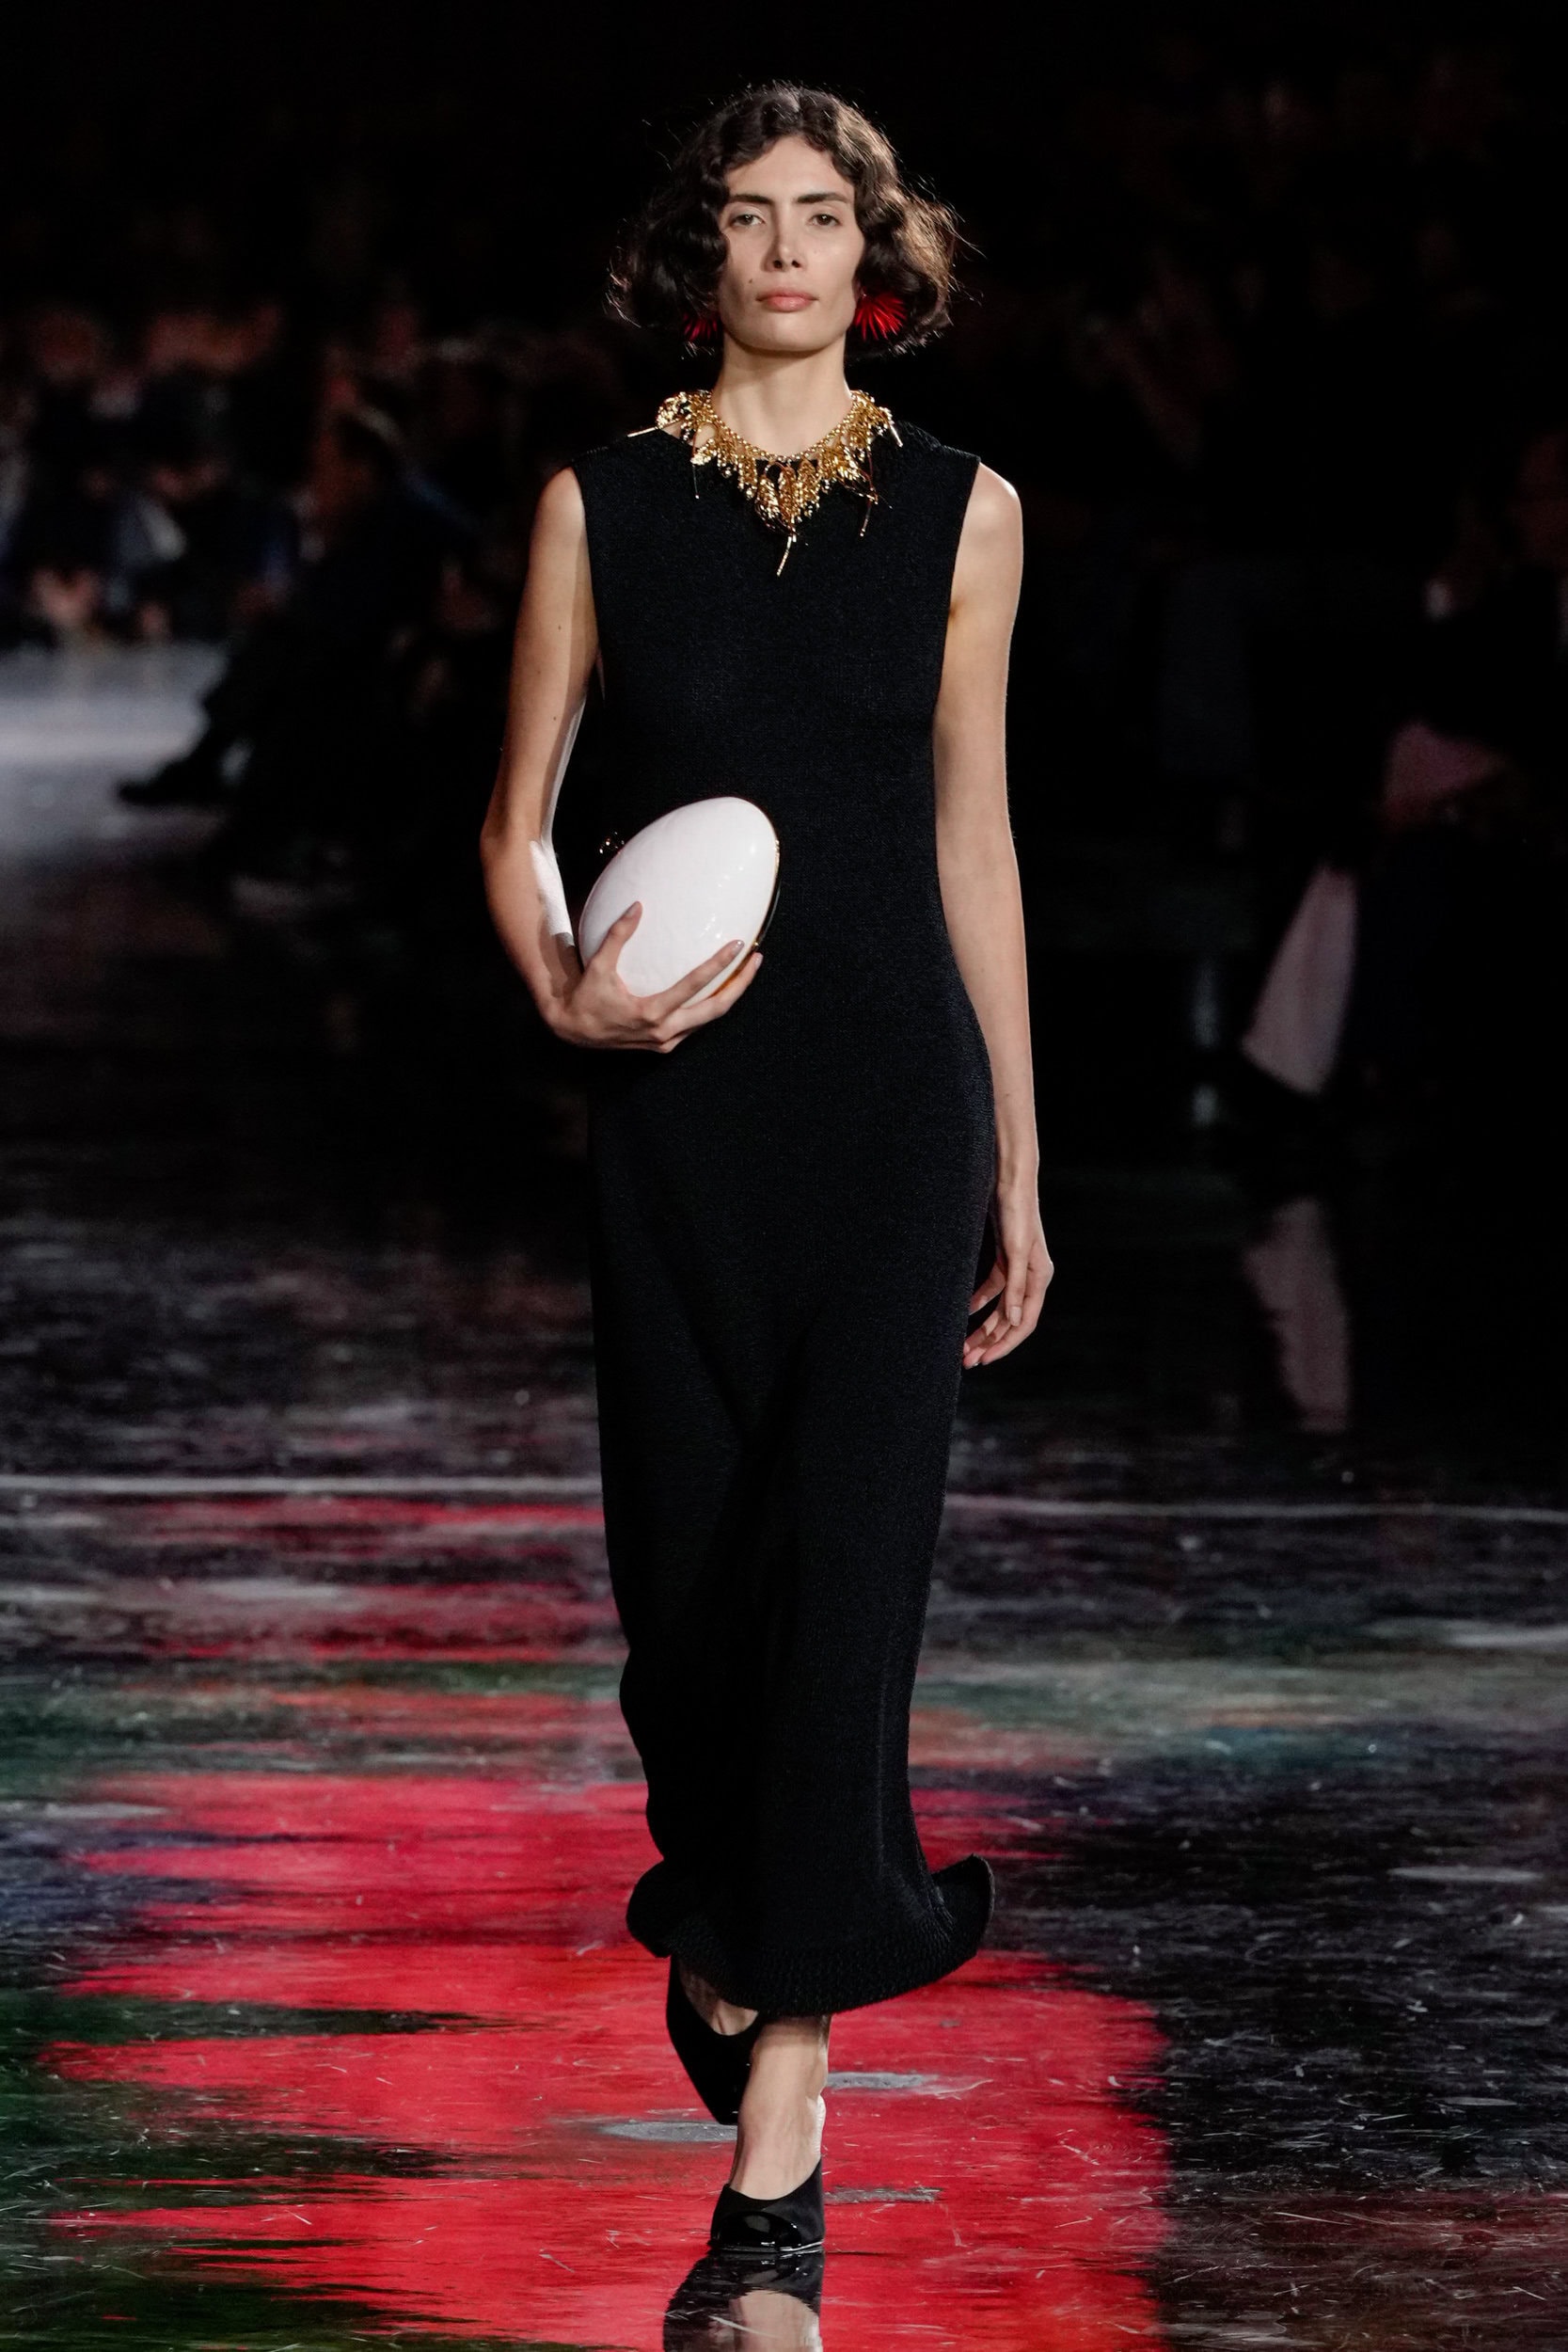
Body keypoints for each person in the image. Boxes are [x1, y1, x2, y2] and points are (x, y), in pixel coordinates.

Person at [482, 84, 1052, 2265]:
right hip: (684, 1111)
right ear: (699, 252)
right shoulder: (599, 505)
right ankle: (728, 1921)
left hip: (898, 1099)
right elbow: (518, 818)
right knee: (694, 1590)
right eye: (752, 215)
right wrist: (565, 991)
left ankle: (786, 2107)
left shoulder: (969, 513)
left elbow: (975, 839)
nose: (791, 249)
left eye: (824, 214)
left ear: (873, 255)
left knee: (853, 1575)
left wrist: (1019, 1154)